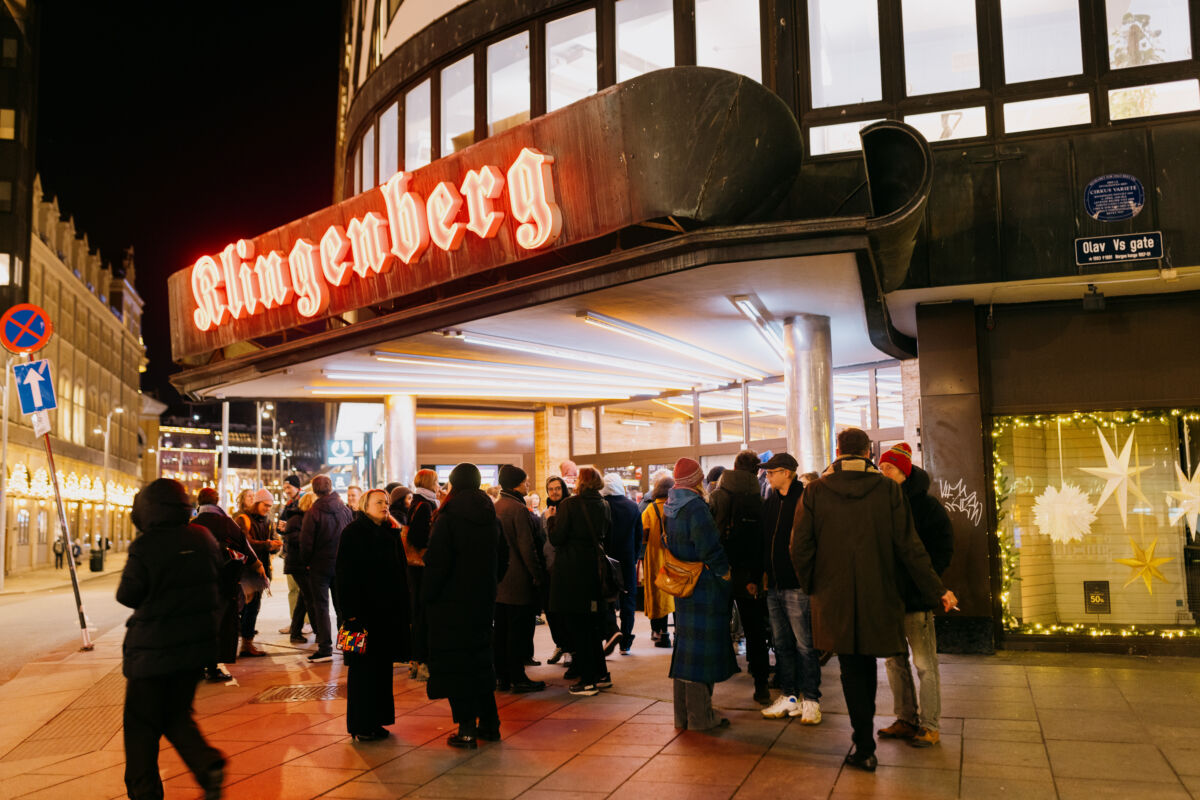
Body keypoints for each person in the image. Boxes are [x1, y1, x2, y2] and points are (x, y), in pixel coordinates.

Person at [791, 428, 956, 773]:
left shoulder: (816, 492)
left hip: (834, 598)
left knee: (852, 667)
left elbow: (800, 548)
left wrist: (813, 587)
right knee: (868, 662)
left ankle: (864, 746)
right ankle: (867, 742)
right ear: (869, 452)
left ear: (838, 451)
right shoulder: (888, 491)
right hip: (880, 595)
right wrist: (935, 589)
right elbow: (910, 547)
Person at [117, 479, 224, 800]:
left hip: (152, 652)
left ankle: (145, 793)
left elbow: (128, 594)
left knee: (140, 730)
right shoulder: (203, 537)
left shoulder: (147, 545)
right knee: (176, 715)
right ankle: (207, 764)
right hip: (195, 650)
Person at [423, 463, 508, 748]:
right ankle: (490, 725)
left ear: (453, 484)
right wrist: (489, 584)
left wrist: (428, 597)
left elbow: (437, 565)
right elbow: (503, 557)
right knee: (481, 662)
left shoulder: (448, 517)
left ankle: (467, 729)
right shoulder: (490, 515)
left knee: (456, 666)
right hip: (482, 601)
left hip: (451, 605)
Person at [876, 443, 955, 748]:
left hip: (917, 598)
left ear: (904, 472)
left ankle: (930, 725)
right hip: (888, 599)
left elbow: (943, 547)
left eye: (890, 468)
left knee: (924, 664)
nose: (883, 472)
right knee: (894, 664)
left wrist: (928, 581)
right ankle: (905, 719)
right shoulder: (880, 503)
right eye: (881, 467)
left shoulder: (927, 507)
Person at [663, 458, 737, 731]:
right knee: (701, 651)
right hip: (703, 583)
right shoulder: (695, 506)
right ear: (696, 479)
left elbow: (666, 541)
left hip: (683, 582)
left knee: (685, 647)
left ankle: (683, 715)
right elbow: (709, 546)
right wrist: (724, 572)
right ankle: (701, 717)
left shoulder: (670, 504)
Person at [336, 488, 411, 741]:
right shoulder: (353, 533)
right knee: (362, 672)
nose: (385, 506)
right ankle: (361, 724)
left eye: (387, 502)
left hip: (386, 616)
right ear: (364, 506)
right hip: (362, 616)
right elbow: (344, 575)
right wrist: (350, 612)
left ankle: (377, 721)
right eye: (379, 502)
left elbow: (401, 574)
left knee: (381, 671)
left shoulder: (391, 532)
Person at [759, 452, 822, 723]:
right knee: (781, 643)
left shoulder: (805, 498)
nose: (767, 476)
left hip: (797, 584)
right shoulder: (771, 501)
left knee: (805, 645)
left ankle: (811, 699)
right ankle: (790, 695)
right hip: (773, 583)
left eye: (772, 472)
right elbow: (765, 540)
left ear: (787, 472)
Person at [709, 450, 770, 704]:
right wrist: (757, 575)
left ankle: (711, 684)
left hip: (721, 571)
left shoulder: (716, 496)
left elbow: (710, 534)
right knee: (755, 629)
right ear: (757, 471)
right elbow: (762, 542)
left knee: (716, 627)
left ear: (733, 467)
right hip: (749, 574)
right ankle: (761, 684)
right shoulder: (761, 497)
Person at [549, 467, 611, 696]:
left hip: (572, 572)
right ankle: (601, 674)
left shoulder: (570, 505)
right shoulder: (604, 504)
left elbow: (557, 538)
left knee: (578, 626)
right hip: (594, 571)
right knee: (591, 625)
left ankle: (588, 680)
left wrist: (550, 521)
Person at [193, 488, 262, 682]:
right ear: (217, 502)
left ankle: (198, 666)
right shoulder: (227, 523)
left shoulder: (194, 525)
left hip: (199, 585)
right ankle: (214, 667)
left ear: (200, 502)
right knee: (222, 625)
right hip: (225, 583)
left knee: (201, 624)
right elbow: (245, 549)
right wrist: (258, 566)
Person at [493, 464, 548, 692]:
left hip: (499, 582)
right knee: (518, 631)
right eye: (526, 481)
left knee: (501, 631)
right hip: (518, 581)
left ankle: (502, 677)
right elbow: (527, 547)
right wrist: (538, 575)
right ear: (516, 484)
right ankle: (518, 678)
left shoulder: (495, 506)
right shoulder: (518, 509)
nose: (528, 485)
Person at [300, 475, 354, 663]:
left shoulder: (313, 512)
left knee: (321, 607)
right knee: (344, 608)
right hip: (342, 565)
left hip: (320, 566)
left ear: (314, 490)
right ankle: (350, 649)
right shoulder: (345, 510)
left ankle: (325, 648)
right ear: (331, 488)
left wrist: (307, 561)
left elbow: (306, 544)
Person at [233, 489, 280, 658]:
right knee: (246, 608)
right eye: (265, 505)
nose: (268, 508)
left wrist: (274, 547)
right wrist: (268, 545)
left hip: (261, 571)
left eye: (270, 506)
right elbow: (245, 544)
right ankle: (244, 644)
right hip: (246, 571)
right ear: (257, 503)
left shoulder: (267, 521)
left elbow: (266, 544)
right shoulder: (243, 519)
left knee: (252, 608)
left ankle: (247, 643)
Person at [600, 473, 640, 654]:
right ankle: (626, 641)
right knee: (628, 600)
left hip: (606, 559)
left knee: (606, 598)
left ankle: (612, 633)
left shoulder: (601, 506)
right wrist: (634, 557)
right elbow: (638, 536)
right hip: (627, 559)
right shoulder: (633, 506)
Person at [405, 469, 439, 681]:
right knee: (423, 614)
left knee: (417, 613)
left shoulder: (416, 502)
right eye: (436, 481)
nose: (438, 485)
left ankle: (415, 661)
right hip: (421, 566)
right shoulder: (425, 505)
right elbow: (419, 537)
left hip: (413, 567)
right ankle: (423, 661)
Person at [641, 474, 676, 648]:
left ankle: (661, 633)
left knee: (658, 595)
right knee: (677, 595)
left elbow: (643, 536)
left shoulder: (650, 509)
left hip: (656, 558)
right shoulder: (677, 507)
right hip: (675, 558)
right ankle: (679, 631)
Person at [541, 476, 573, 665]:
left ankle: (569, 648)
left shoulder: (569, 509)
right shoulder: (545, 512)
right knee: (551, 611)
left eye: (557, 488)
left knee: (565, 611)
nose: (554, 492)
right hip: (549, 568)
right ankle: (560, 644)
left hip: (566, 568)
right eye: (551, 488)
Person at [284, 492, 317, 644]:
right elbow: (295, 539)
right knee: (310, 596)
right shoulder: (297, 519)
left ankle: (295, 632)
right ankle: (319, 631)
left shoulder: (304, 518)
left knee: (303, 599)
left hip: (302, 564)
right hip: (298, 564)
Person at [276, 476, 306, 635]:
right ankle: (296, 623)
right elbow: (280, 526)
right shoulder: (288, 505)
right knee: (293, 590)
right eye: (285, 488)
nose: (287, 491)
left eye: (289, 488)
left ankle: (305, 623)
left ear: (297, 487)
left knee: (305, 591)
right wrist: (281, 528)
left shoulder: (306, 501)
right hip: (290, 553)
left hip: (302, 553)